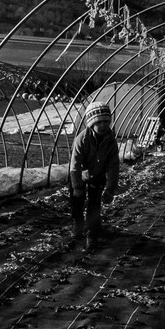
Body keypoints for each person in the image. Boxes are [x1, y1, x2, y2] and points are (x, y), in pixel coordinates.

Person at [68, 100, 119, 250]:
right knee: (77, 202)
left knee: (94, 205)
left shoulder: (111, 141)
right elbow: (75, 164)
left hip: (98, 175)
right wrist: (77, 186)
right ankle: (78, 224)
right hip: (79, 175)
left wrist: (111, 189)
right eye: (99, 122)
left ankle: (92, 233)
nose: (103, 125)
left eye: (106, 121)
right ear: (91, 123)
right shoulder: (82, 139)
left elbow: (113, 166)